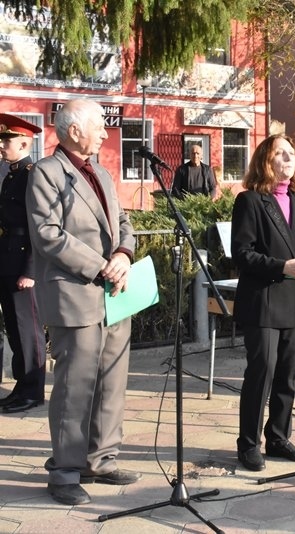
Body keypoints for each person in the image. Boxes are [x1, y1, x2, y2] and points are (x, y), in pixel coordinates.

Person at [27, 99, 140, 505]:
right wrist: (101, 266)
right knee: (75, 387)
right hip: (75, 293)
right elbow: (48, 234)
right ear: (74, 130)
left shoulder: (102, 174)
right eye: (98, 127)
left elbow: (123, 223)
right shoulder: (47, 173)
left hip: (114, 293)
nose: (105, 134)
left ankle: (101, 459)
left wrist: (124, 255)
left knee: (112, 382)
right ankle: (65, 471)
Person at [231, 133, 295, 472]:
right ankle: (248, 444)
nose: (289, 159)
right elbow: (242, 254)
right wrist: (281, 267)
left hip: (293, 300)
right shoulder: (249, 201)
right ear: (266, 161)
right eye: (281, 154)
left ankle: (278, 438)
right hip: (263, 301)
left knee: (288, 375)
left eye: (292, 154)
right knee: (261, 373)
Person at [0, 114, 47, 413]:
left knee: (28, 330)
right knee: (15, 330)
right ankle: (22, 387)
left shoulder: (31, 174)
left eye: (7, 141)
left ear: (24, 143)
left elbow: (37, 226)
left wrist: (30, 270)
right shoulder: (11, 173)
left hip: (22, 263)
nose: (2, 146)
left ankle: (33, 391)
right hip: (7, 257)